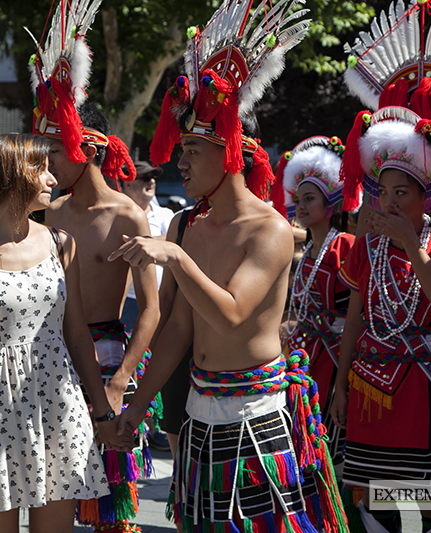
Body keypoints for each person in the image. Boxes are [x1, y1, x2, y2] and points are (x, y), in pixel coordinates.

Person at [112, 2, 345, 531]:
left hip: (256, 417)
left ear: (230, 150)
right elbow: (179, 327)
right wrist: (138, 406)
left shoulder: (270, 230)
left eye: (193, 148)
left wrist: (174, 256)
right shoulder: (189, 225)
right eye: (183, 148)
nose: (181, 162)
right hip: (198, 413)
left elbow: (235, 316)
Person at [0, 133, 117, 532]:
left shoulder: (61, 244)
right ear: (13, 177)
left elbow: (77, 337)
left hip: (58, 403)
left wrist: (103, 412)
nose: (53, 177)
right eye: (42, 168)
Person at [30, 5, 160, 529]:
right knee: (50, 491)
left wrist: (120, 378)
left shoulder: (128, 215)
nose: (45, 163)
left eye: (52, 150)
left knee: (113, 504)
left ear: (87, 147)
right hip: (50, 356)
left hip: (107, 357)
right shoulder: (45, 210)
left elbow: (150, 310)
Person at [332, 107, 431, 533]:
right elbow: (353, 322)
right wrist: (340, 387)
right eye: (386, 192)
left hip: (423, 388)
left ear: (426, 197)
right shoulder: (366, 248)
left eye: (403, 193)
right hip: (368, 390)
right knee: (377, 503)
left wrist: (412, 248)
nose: (391, 201)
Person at [279, 136, 354, 523]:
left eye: (310, 198)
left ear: (331, 203)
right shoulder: (308, 250)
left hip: (340, 360)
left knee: (333, 451)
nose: (301, 205)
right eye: (299, 198)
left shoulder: (347, 247)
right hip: (309, 360)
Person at [119, 161, 173, 333]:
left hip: (160, 299)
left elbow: (176, 240)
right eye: (145, 178)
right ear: (127, 184)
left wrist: (140, 243)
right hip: (127, 301)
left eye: (153, 177)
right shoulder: (118, 215)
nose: (151, 181)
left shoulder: (165, 214)